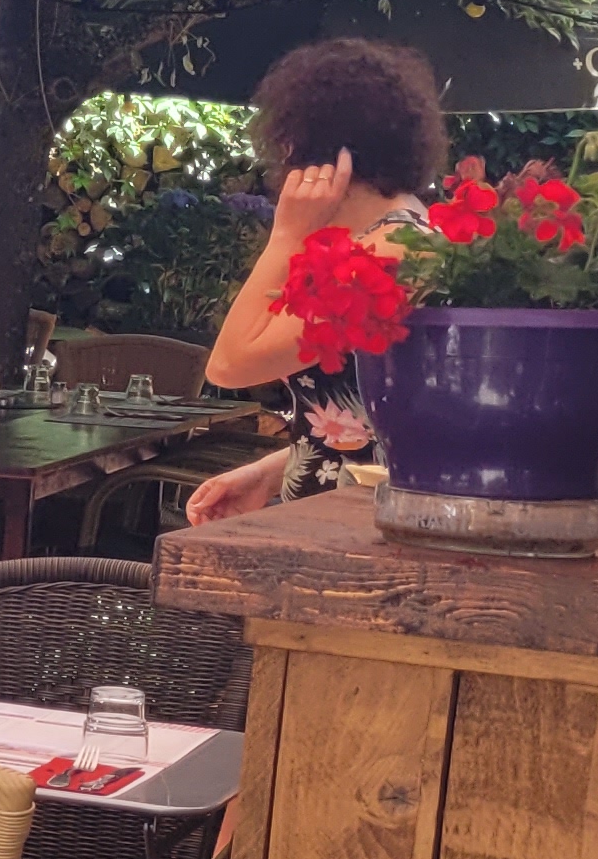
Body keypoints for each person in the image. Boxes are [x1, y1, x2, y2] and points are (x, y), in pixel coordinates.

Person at [186, 39, 447, 525]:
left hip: (353, 530)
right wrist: (272, 471)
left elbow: (229, 365)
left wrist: (286, 237)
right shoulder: (407, 236)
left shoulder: (383, 256)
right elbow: (375, 422)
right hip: (349, 514)